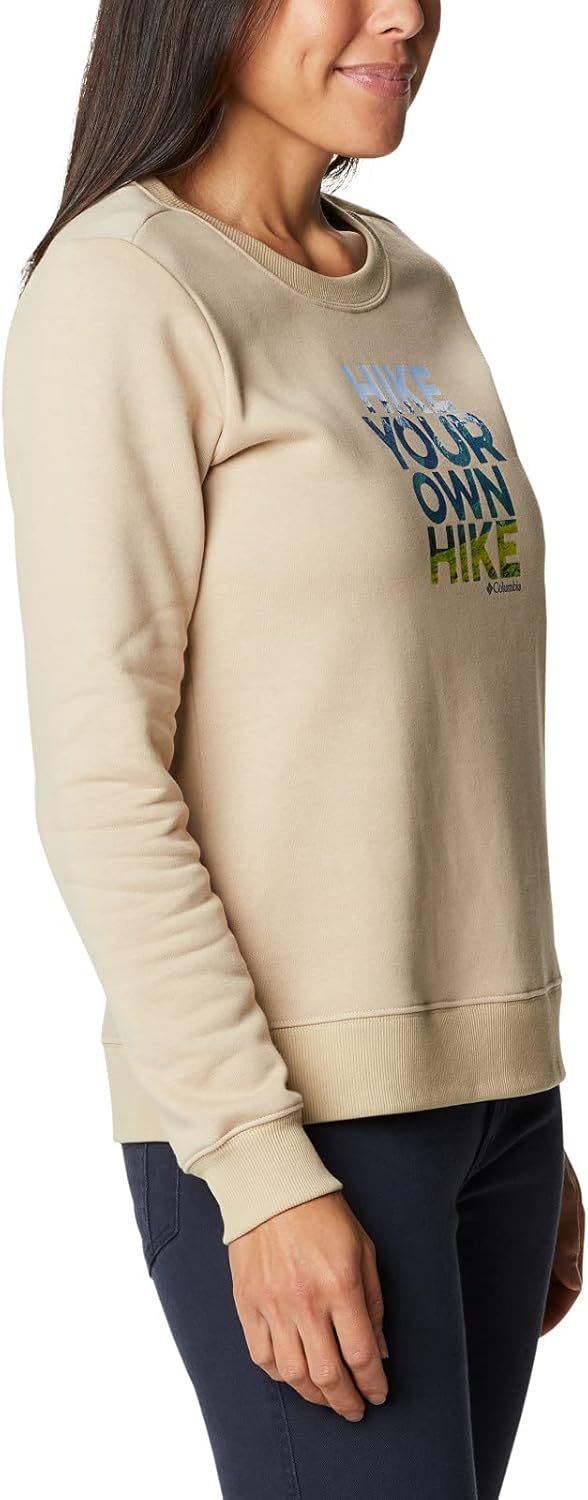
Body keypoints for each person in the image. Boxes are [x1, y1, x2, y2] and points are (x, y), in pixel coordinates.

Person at [1, 2, 574, 1496]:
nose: (408, 15)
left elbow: (439, 715)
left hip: (493, 1113)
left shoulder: (414, 286)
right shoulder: (125, 288)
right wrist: (256, 1167)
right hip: (294, 1122)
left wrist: (515, 1091)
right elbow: (103, 779)